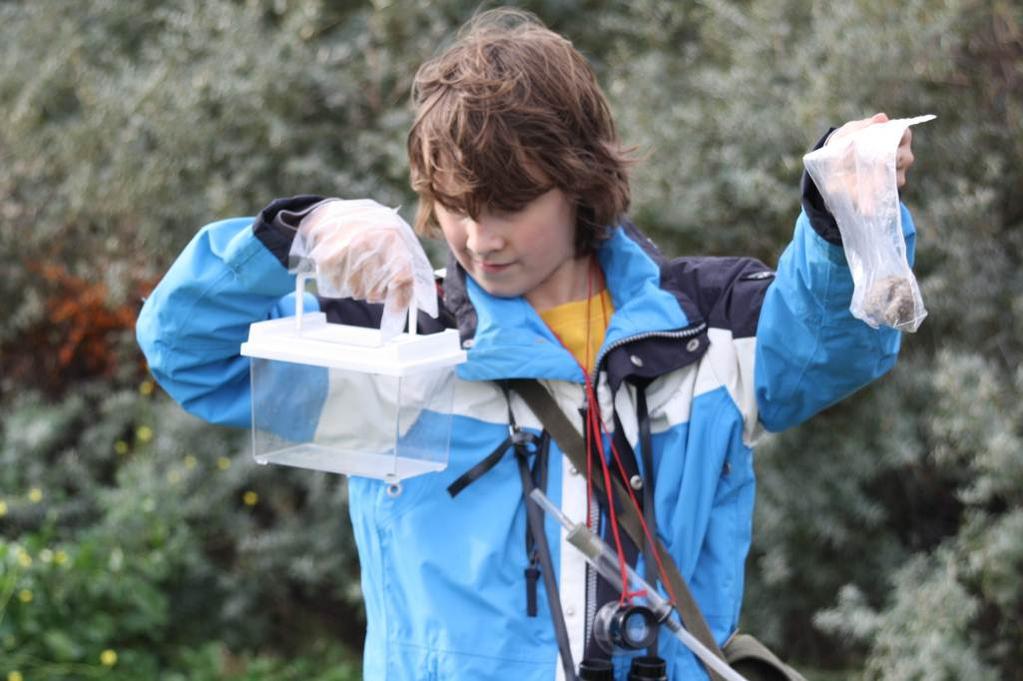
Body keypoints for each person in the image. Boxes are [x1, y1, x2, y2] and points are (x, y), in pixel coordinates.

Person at [136, 8, 920, 681]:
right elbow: (186, 351)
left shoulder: (702, 328)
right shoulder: (393, 340)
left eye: (509, 204)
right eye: (454, 205)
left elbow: (836, 345)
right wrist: (292, 238)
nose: (479, 238)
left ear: (578, 180)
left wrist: (842, 216)